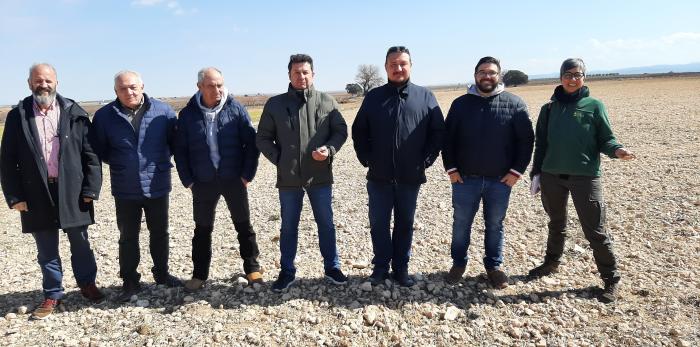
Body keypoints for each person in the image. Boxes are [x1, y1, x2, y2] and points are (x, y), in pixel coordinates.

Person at [0, 63, 104, 319]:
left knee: (80, 243)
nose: (43, 85)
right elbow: (7, 161)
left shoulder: (74, 112)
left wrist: (91, 188)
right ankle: (52, 294)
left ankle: (87, 284)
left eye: (47, 80)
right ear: (29, 83)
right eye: (37, 81)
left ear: (57, 82)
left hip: (73, 190)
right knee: (46, 249)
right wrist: (15, 196)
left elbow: (91, 155)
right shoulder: (18, 116)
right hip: (35, 192)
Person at [527, 58, 635, 303]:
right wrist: (536, 173)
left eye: (577, 74)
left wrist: (617, 150)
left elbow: (606, 138)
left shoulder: (594, 106)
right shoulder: (549, 109)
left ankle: (611, 279)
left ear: (584, 77)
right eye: (568, 74)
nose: (572, 79)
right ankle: (551, 262)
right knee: (556, 222)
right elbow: (541, 143)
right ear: (561, 77)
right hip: (552, 175)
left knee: (595, 230)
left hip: (585, 176)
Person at [351, 46, 445, 287]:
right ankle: (381, 267)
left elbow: (438, 132)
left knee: (404, 224)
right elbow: (359, 130)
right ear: (386, 67)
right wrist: (366, 158)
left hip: (409, 177)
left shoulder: (425, 97)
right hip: (379, 177)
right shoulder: (373, 97)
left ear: (410, 66)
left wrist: (426, 160)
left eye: (403, 63)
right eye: (393, 64)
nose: (398, 68)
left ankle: (401, 268)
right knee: (378, 223)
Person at [256, 54, 349, 292]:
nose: (301, 76)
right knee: (288, 226)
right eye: (296, 73)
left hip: (319, 176)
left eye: (305, 72)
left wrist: (329, 151)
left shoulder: (327, 102)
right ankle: (287, 271)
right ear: (289, 75)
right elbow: (263, 138)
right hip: (289, 178)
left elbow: (340, 132)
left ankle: (332, 268)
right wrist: (280, 160)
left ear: (313, 74)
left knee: (326, 224)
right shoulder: (275, 105)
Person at [442, 56, 534, 288]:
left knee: (495, 224)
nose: (486, 76)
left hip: (500, 181)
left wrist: (516, 172)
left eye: (491, 72)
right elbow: (447, 139)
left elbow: (526, 141)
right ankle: (458, 264)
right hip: (465, 180)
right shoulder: (460, 104)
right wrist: (451, 169)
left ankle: (493, 267)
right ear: (475, 76)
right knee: (461, 224)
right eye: (482, 72)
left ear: (499, 75)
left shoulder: (515, 104)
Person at [92, 70, 182, 302]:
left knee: (160, 232)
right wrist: (125, 165)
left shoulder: (163, 111)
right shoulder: (104, 116)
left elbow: (174, 144)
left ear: (142, 86)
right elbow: (101, 150)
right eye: (123, 88)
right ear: (116, 92)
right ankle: (130, 280)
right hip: (125, 187)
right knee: (128, 235)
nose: (129, 92)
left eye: (133, 87)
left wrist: (155, 163)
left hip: (157, 183)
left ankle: (162, 274)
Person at [174, 67, 263, 291]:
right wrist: (189, 180)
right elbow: (180, 151)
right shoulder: (187, 114)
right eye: (212, 85)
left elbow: (251, 144)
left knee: (243, 225)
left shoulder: (235, 108)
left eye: (220, 84)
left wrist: (246, 175)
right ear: (200, 87)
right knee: (202, 229)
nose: (217, 89)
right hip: (202, 181)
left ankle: (252, 267)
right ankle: (199, 274)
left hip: (233, 178)